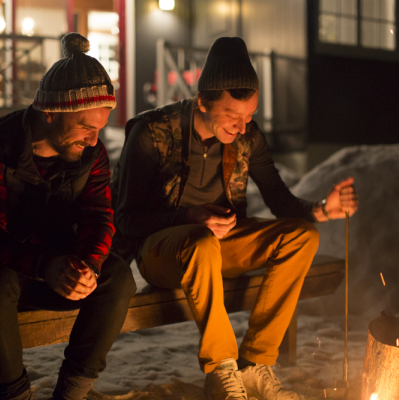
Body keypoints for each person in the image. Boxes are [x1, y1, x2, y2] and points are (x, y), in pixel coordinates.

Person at [110, 37, 358, 400]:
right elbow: (127, 219)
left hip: (222, 243)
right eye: (232, 117)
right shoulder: (152, 133)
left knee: (302, 236)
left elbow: (279, 200)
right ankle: (220, 369)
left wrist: (322, 209)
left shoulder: (246, 137)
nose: (243, 128)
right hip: (163, 252)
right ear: (202, 102)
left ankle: (256, 363)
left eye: (249, 117)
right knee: (200, 242)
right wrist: (189, 215)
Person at [0, 33, 136, 400]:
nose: (93, 140)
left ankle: (71, 392)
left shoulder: (92, 154)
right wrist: (45, 265)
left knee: (116, 276)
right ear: (50, 113)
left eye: (100, 128)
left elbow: (99, 218)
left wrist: (86, 265)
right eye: (86, 127)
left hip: (47, 265)